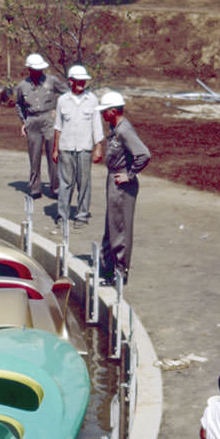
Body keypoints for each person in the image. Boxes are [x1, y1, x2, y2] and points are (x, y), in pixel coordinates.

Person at [95, 90, 149, 286]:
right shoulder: (115, 128)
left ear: (113, 111)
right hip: (114, 180)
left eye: (104, 111)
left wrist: (130, 174)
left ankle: (119, 272)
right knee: (112, 225)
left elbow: (143, 154)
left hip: (121, 184)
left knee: (120, 228)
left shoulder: (124, 130)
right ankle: (108, 267)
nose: (102, 115)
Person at [51, 64, 103, 228]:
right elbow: (58, 126)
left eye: (83, 81)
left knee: (84, 184)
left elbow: (97, 125)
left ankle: (82, 216)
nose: (81, 84)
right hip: (66, 148)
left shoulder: (92, 99)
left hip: (84, 148)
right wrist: (55, 148)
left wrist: (98, 147)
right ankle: (62, 216)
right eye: (78, 81)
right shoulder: (62, 100)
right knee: (65, 184)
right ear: (70, 81)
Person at [14, 52, 67, 199]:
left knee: (53, 155)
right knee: (34, 155)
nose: (38, 72)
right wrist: (24, 122)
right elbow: (18, 104)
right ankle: (35, 188)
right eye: (35, 70)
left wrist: (58, 111)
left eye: (40, 70)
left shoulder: (52, 81)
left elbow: (66, 94)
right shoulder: (22, 86)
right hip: (32, 120)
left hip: (49, 119)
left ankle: (56, 187)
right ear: (29, 69)